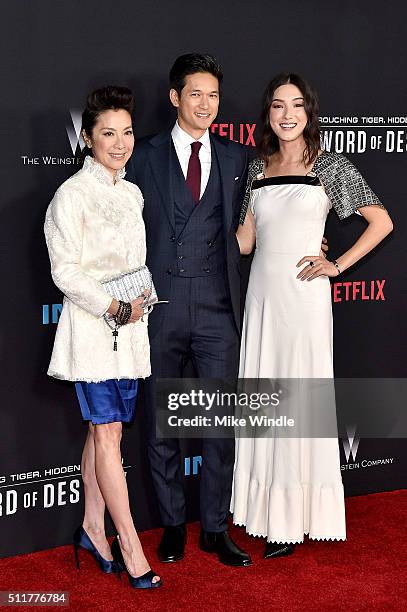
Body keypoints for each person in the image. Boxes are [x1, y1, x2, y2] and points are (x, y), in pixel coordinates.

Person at [231, 73, 393, 558]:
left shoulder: (330, 165)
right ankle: (262, 512)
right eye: (278, 106)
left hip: (304, 302)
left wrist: (337, 264)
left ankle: (294, 519)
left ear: (309, 112)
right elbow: (244, 240)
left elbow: (382, 222)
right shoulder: (255, 168)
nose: (287, 114)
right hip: (262, 298)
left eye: (296, 105)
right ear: (268, 114)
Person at [125, 53, 253, 567]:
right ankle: (174, 524)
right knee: (161, 425)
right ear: (176, 97)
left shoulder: (235, 156)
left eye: (214, 95)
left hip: (219, 308)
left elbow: (256, 223)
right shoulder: (143, 155)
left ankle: (216, 528)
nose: (206, 104)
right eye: (196, 94)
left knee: (220, 425)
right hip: (159, 308)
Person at [44, 86, 161, 589]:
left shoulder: (131, 192)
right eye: (108, 133)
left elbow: (133, 263)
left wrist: (142, 294)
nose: (119, 143)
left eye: (127, 132)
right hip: (94, 334)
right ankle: (130, 543)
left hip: (132, 331)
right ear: (88, 138)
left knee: (103, 432)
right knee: (109, 433)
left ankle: (93, 527)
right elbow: (65, 272)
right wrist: (113, 305)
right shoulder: (71, 195)